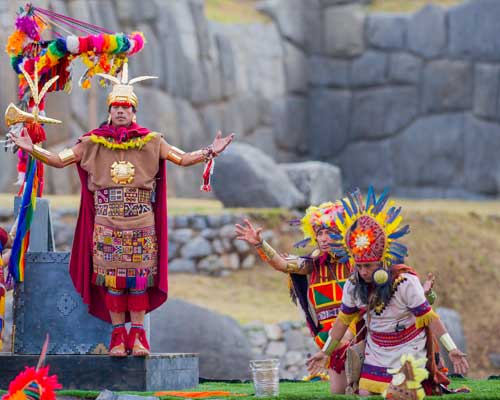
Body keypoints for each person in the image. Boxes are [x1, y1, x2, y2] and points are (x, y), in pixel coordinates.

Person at [8, 63, 234, 357]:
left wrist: (209, 152)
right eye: (116, 106)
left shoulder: (153, 142)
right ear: (109, 110)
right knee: (113, 281)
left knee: (138, 280)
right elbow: (59, 159)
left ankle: (138, 338)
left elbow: (182, 158)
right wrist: (31, 148)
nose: (120, 111)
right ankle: (117, 337)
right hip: (106, 222)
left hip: (141, 222)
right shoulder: (90, 143)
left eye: (126, 107)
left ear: (134, 112)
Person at [306, 188, 468, 396]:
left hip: (410, 348)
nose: (363, 272)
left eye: (369, 266)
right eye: (360, 266)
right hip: (377, 349)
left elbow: (430, 318)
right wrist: (324, 352)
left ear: (382, 262)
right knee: (365, 394)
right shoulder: (353, 285)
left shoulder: (404, 281)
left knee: (399, 394)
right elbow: (341, 322)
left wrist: (452, 348)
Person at [235, 201, 354, 394]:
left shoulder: (359, 265)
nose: (323, 238)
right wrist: (259, 243)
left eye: (329, 232)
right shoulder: (312, 264)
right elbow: (282, 264)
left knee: (363, 391)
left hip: (358, 336)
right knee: (338, 393)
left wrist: (338, 341)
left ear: (343, 233)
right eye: (319, 233)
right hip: (328, 339)